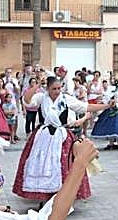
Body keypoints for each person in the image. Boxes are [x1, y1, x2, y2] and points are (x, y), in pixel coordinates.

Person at [13, 75, 101, 205]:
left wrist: (105, 106)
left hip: (62, 136)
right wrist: (37, 85)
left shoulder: (65, 99)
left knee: (63, 165)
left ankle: (61, 196)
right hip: (43, 137)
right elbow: (27, 99)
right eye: (54, 88)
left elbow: (84, 107)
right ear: (48, 88)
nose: (57, 91)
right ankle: (44, 197)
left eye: (59, 88)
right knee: (40, 164)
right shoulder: (41, 98)